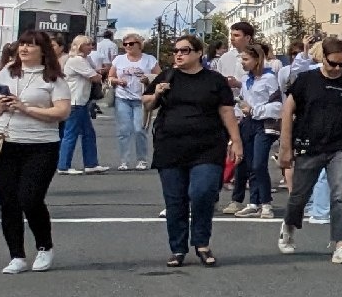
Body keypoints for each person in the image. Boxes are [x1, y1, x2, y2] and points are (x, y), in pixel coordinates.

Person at [142, 34, 242, 268]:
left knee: (203, 192)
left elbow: (227, 112)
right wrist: (157, 93)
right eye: (176, 51)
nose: (178, 54)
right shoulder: (167, 76)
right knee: (175, 200)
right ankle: (177, 249)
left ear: (198, 53)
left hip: (207, 146)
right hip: (170, 146)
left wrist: (236, 141)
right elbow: (146, 103)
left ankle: (202, 243)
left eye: (185, 50)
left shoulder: (214, 80)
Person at [276, 38, 342, 265]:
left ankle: (341, 244)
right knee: (299, 195)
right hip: (309, 145)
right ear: (322, 58)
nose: (338, 69)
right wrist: (285, 147)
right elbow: (287, 112)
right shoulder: (306, 80)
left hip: (339, 146)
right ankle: (288, 225)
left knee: (341, 196)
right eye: (334, 63)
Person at [0, 35, 73, 274]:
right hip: (6, 144)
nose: (24, 48)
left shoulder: (53, 78)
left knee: (30, 197)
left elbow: (62, 111)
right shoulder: (6, 73)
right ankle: (17, 255)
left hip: (40, 145)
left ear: (43, 51)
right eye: (22, 44)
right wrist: (1, 107)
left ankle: (45, 246)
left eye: (30, 44)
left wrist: (26, 108)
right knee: (8, 201)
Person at [229, 42, 285, 219]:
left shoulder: (270, 79)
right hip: (248, 124)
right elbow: (244, 102)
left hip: (264, 125)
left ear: (257, 59)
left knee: (259, 164)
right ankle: (254, 202)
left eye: (246, 59)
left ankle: (266, 203)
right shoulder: (246, 80)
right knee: (249, 162)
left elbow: (277, 106)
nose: (242, 63)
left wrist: (254, 110)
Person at [108, 31, 156, 170]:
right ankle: (124, 161)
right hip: (123, 97)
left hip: (141, 99)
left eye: (131, 43)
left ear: (139, 45)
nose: (128, 46)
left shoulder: (149, 59)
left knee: (139, 129)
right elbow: (110, 77)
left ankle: (142, 159)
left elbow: (158, 76)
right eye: (125, 44)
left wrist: (147, 79)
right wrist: (117, 81)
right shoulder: (119, 60)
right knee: (124, 130)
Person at [57, 33, 99, 175]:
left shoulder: (85, 60)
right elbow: (95, 77)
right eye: (88, 44)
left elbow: (96, 71)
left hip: (81, 101)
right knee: (70, 133)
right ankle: (63, 165)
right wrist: (97, 74)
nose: (91, 47)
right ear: (80, 46)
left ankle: (91, 163)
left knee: (88, 133)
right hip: (75, 101)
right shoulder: (76, 60)